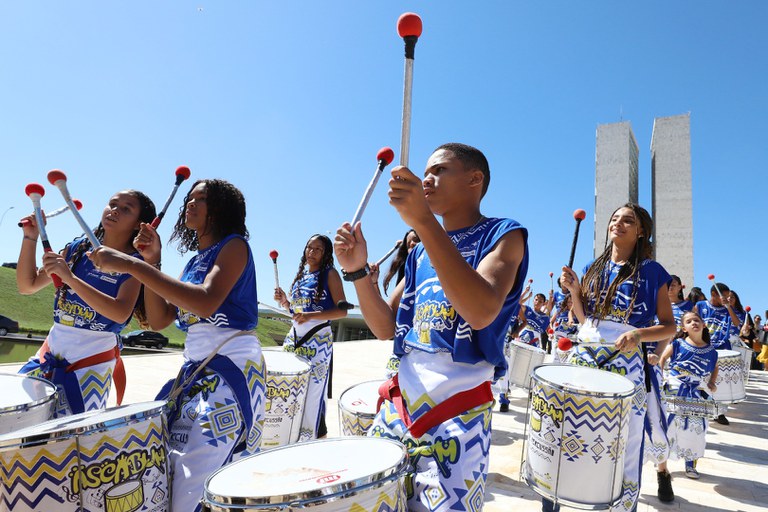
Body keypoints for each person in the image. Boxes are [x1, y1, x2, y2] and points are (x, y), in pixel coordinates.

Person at [334, 142, 528, 511]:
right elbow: (385, 327)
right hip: (399, 406)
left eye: (440, 170)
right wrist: (358, 271)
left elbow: (481, 310)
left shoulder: (505, 234)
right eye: (426, 171)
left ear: (475, 179)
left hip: (460, 409)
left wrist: (423, 221)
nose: (427, 178)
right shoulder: (421, 251)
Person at [89, 179, 265, 512]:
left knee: (196, 475)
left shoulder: (235, 246)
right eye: (190, 198)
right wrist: (151, 262)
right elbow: (159, 320)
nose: (191, 204)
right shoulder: (193, 262)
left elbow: (205, 303)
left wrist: (131, 265)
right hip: (196, 371)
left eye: (202, 199)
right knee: (171, 464)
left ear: (221, 209)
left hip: (231, 370)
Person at [558, 203, 676, 512]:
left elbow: (669, 325)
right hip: (587, 353)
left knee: (626, 436)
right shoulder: (591, 267)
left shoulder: (653, 271)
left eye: (628, 221)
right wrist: (573, 291)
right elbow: (583, 320)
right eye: (614, 219)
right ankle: (575, 494)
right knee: (576, 428)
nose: (618, 224)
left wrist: (638, 335)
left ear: (640, 232)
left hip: (627, 362)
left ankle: (623, 505)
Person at [17, 189, 156, 417]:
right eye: (112, 203)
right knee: (19, 423)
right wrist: (30, 237)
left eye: (126, 209)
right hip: (51, 351)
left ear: (138, 225)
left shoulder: (135, 263)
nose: (114, 210)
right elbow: (27, 285)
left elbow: (120, 314)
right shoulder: (77, 249)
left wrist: (70, 278)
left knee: (70, 440)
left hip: (92, 363)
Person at [274, 234, 347, 441]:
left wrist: (309, 316)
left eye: (317, 249)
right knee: (290, 388)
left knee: (313, 395)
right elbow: (297, 313)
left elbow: (341, 312)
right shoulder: (300, 279)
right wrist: (286, 302)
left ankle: (310, 440)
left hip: (318, 341)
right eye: (309, 248)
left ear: (326, 254)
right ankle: (287, 435)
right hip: (294, 338)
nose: (311, 252)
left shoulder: (330, 274)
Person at [644, 274, 690, 502]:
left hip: (653, 369)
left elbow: (669, 331)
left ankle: (663, 472)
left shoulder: (667, 308)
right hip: (623, 366)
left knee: (656, 423)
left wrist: (658, 354)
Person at [659, 311, 719, 480]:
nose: (693, 323)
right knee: (669, 424)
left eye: (696, 320)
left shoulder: (711, 351)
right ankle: (662, 462)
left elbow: (715, 367)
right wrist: (662, 377)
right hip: (675, 386)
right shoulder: (677, 343)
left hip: (696, 391)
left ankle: (690, 464)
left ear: (704, 325)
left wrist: (712, 383)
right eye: (689, 321)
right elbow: (663, 358)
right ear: (683, 328)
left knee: (695, 429)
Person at [695, 282, 741, 425]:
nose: (727, 299)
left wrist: (728, 307)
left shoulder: (727, 309)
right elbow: (692, 320)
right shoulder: (701, 305)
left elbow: (736, 323)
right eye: (725, 296)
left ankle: (719, 412)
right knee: (701, 380)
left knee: (720, 382)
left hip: (721, 348)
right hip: (703, 347)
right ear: (714, 294)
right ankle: (703, 407)